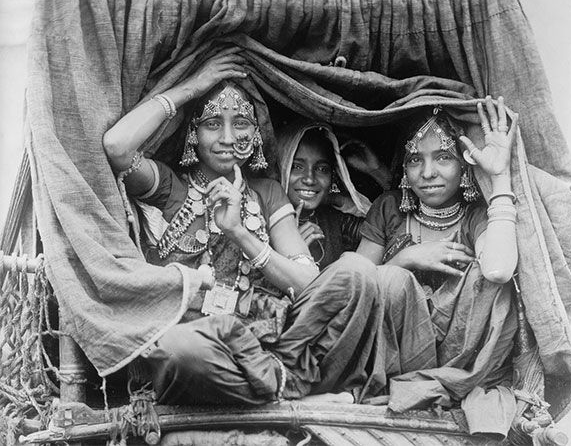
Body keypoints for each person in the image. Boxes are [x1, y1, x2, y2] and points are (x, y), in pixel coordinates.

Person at [102, 49, 387, 405]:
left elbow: (307, 283)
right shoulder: (171, 188)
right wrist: (192, 87)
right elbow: (116, 147)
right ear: (193, 133)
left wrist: (240, 233)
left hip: (269, 340)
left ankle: (275, 383)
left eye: (240, 123)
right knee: (178, 349)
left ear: (255, 133)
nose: (227, 137)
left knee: (356, 272)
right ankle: (283, 388)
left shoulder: (267, 192)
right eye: (212, 123)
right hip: (203, 343)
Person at [356, 98, 520, 430]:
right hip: (392, 358)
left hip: (458, 363)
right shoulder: (389, 208)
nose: (428, 173)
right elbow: (351, 286)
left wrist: (500, 177)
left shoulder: (475, 217)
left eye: (443, 157)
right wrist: (405, 259)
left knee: (488, 280)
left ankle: (433, 385)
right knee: (387, 280)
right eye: (415, 159)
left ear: (465, 165)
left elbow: (500, 270)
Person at [277, 122, 386, 269]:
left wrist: (377, 171)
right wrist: (293, 255)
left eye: (322, 169)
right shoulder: (260, 222)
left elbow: (389, 232)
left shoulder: (335, 221)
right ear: (281, 167)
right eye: (297, 166)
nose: (309, 179)